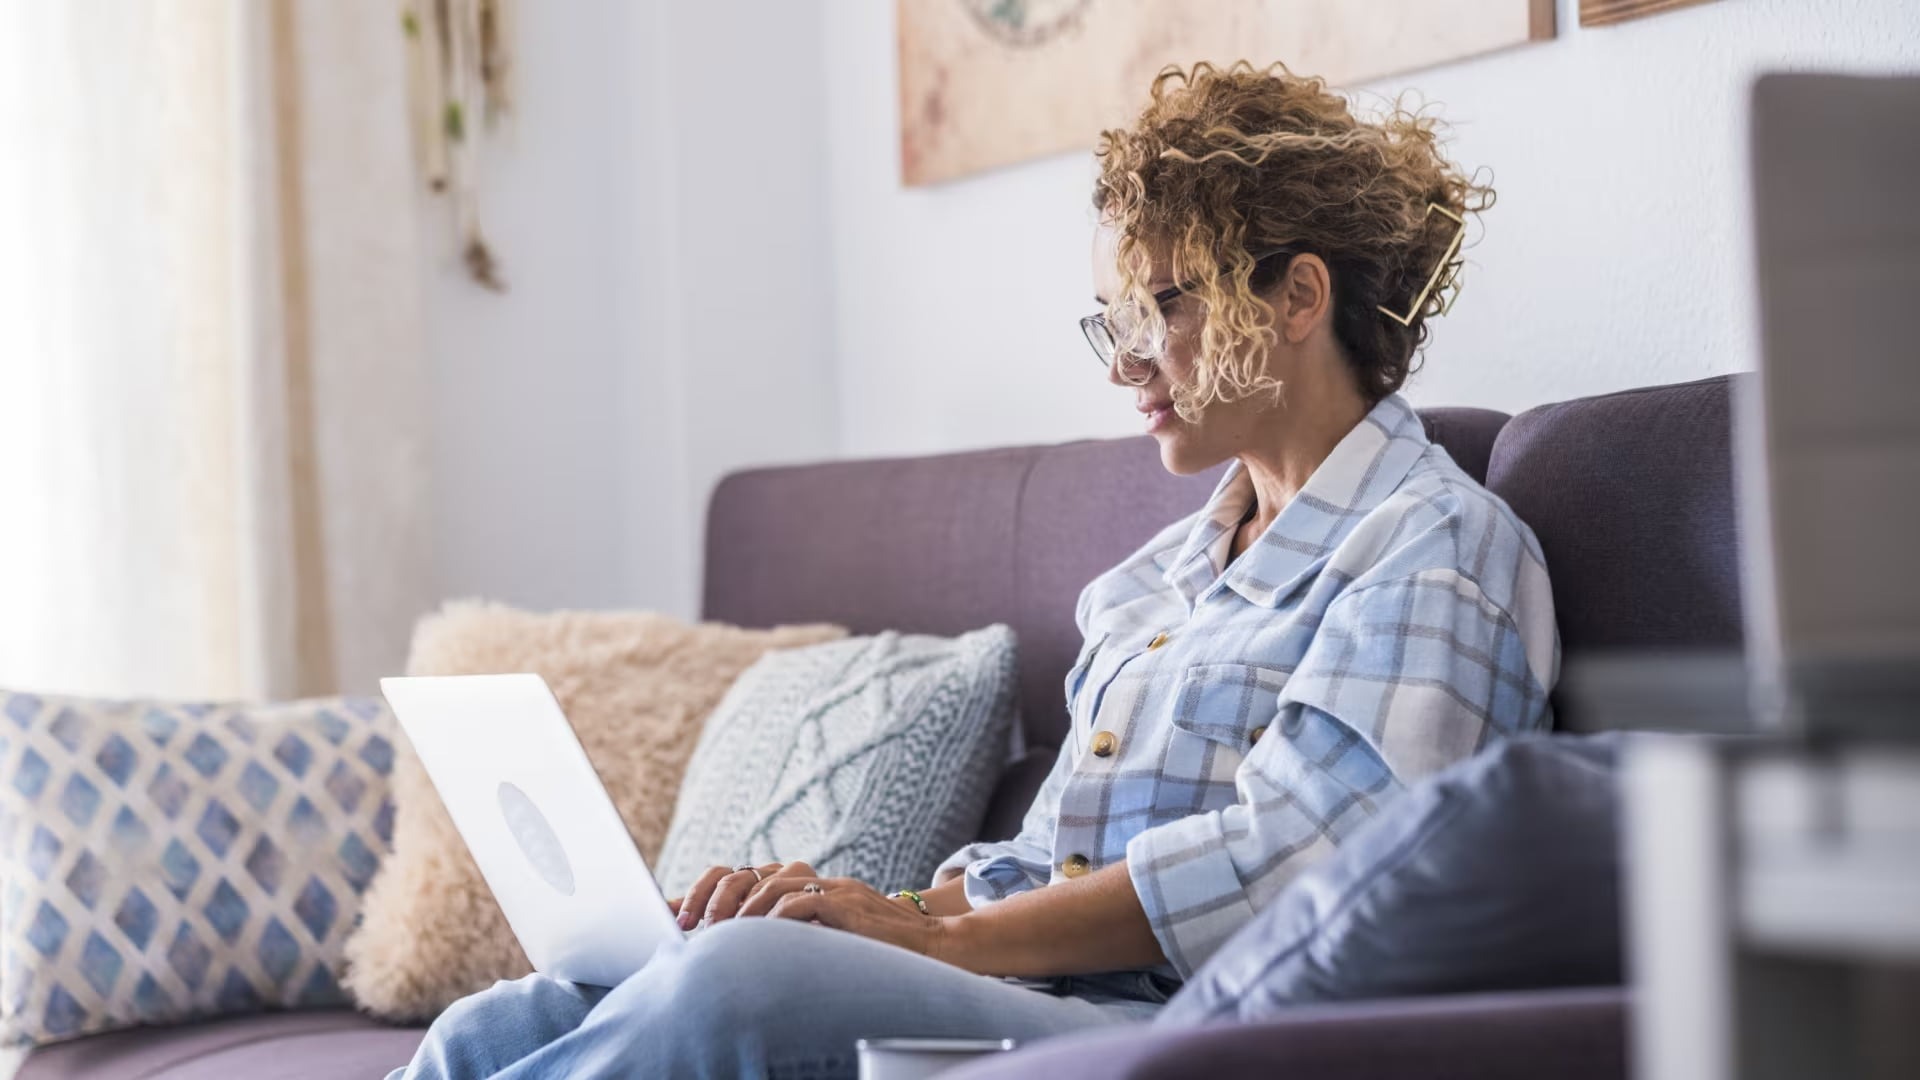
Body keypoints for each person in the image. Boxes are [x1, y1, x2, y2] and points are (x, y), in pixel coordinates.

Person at [393, 60, 1558, 1080]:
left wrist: (930, 945)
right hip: (1033, 993)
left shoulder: (1435, 548)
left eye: (1166, 306)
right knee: (520, 1017)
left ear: (1298, 295)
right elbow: (1046, 864)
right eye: (1116, 320)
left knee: (733, 994)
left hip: (1206, 1031)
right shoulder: (1157, 582)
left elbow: (1301, 868)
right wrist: (860, 913)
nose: (1129, 364)